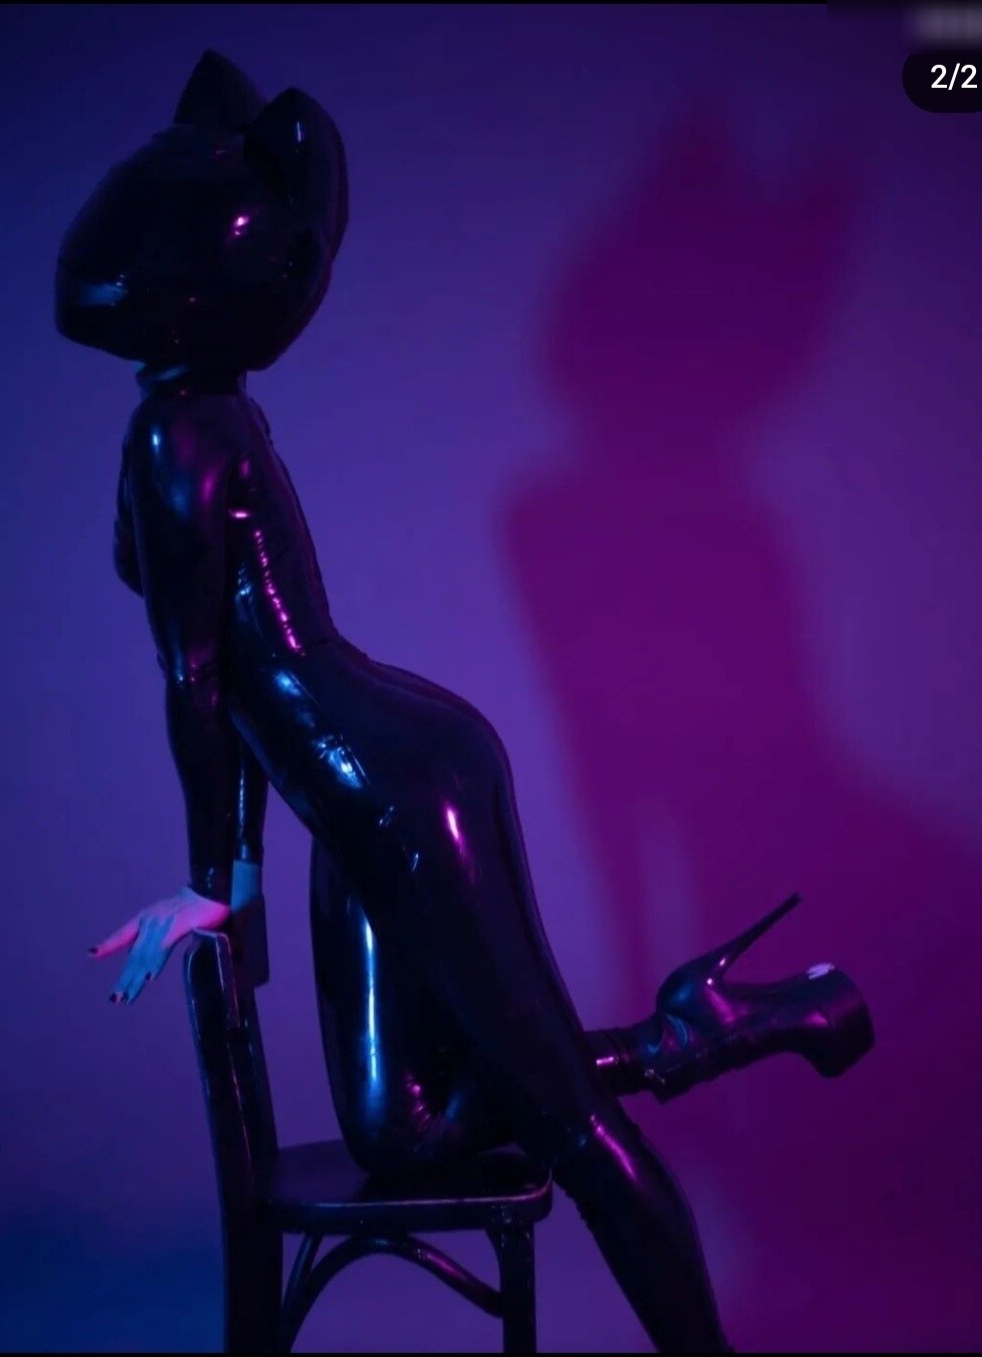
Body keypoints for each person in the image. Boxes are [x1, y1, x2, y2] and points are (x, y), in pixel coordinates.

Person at [57, 52, 873, 1353]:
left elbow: (197, 679)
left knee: (571, 1131)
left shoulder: (185, 434)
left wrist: (214, 886)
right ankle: (711, 1028)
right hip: (358, 796)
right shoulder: (196, 422)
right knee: (409, 1130)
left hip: (394, 787)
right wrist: (234, 890)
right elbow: (227, 677)